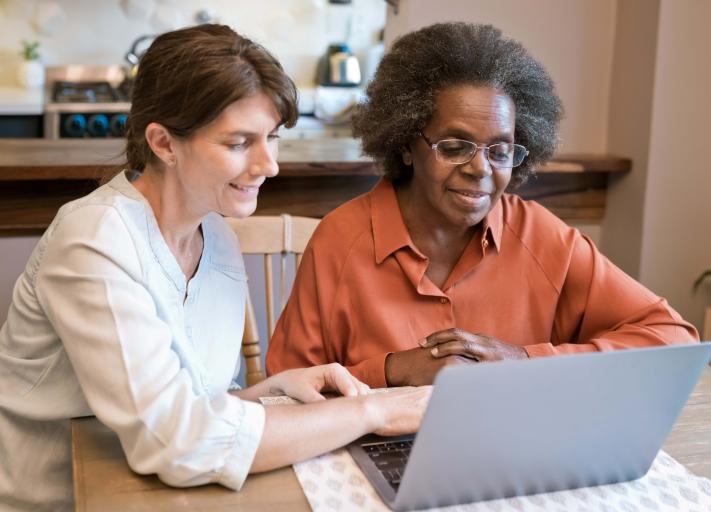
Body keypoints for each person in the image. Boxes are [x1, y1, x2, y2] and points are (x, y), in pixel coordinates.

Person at [0, 24, 430, 512]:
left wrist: (271, 390)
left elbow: (196, 409)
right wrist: (372, 411)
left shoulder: (218, 238)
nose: (269, 164)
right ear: (164, 143)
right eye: (239, 142)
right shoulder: (95, 240)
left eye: (271, 137)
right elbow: (175, 441)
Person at [265, 22, 699, 388]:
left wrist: (525, 362)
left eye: (500, 151)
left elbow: (673, 339)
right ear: (406, 145)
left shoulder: (541, 237)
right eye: (455, 147)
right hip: (376, 452)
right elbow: (284, 391)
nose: (480, 169)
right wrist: (393, 371)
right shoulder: (340, 241)